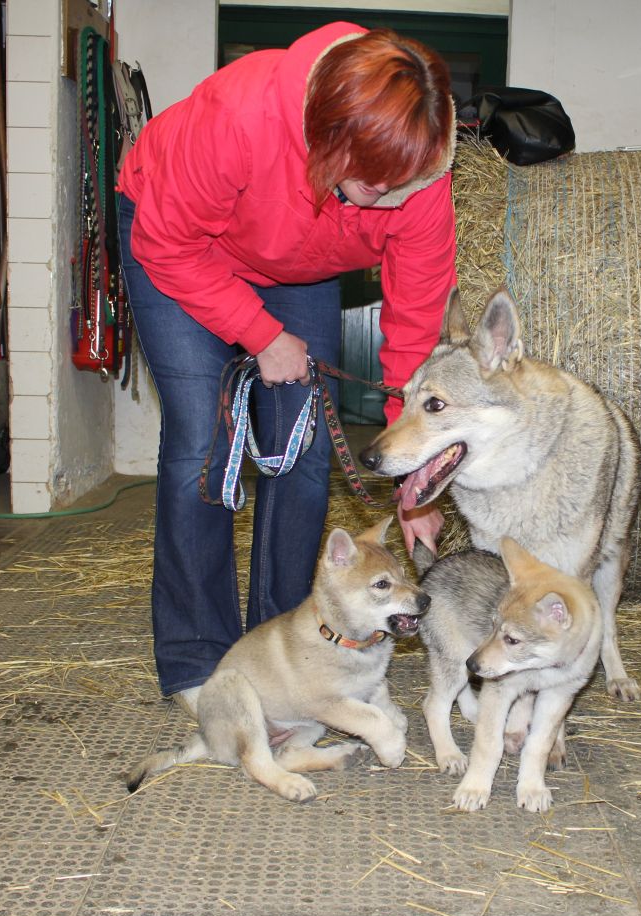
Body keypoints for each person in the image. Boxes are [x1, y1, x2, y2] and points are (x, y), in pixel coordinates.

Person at [117, 21, 457, 714]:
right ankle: (197, 661)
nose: (389, 202)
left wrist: (414, 473)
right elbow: (166, 242)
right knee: (201, 444)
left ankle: (284, 646)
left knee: (299, 445)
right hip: (181, 242)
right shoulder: (240, 117)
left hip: (299, 258)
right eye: (375, 184)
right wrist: (259, 334)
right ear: (331, 141)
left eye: (403, 187)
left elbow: (415, 325)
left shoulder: (418, 177)